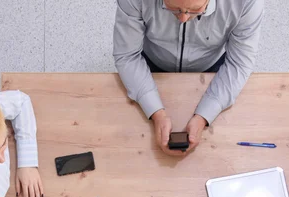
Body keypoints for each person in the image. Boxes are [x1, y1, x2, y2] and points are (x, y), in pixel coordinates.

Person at [113, 0, 264, 156]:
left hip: (211, 68)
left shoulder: (247, 3)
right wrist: (156, 112)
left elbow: (238, 63)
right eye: (173, 8)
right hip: (151, 63)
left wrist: (204, 116)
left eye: (195, 10)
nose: (183, 19)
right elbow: (128, 56)